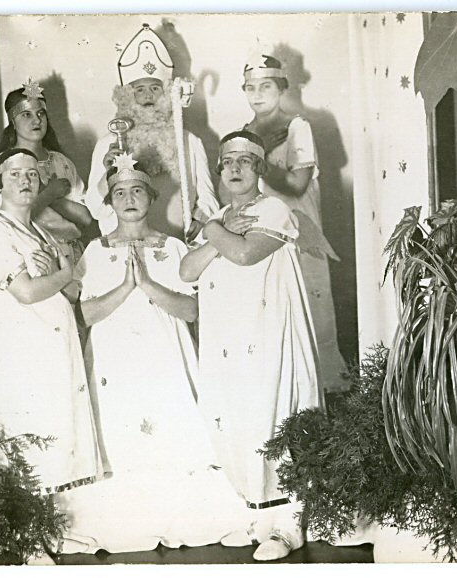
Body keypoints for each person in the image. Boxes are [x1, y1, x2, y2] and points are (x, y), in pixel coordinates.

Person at [59, 153, 252, 554]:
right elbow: (86, 315)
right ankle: (122, 524)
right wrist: (125, 287)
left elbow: (191, 310)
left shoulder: (174, 247)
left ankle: (185, 517)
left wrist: (147, 284)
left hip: (164, 358)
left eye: (137, 191)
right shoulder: (96, 250)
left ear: (151, 197)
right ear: (109, 202)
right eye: (119, 193)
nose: (129, 199)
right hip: (114, 362)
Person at [180, 130, 323, 561]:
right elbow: (187, 271)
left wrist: (212, 231)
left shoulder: (274, 208)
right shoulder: (222, 215)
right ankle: (259, 516)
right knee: (237, 421)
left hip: (267, 335)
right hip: (228, 340)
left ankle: (289, 524)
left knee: (274, 418)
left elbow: (244, 254)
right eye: (227, 162)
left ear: (260, 168)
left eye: (245, 161)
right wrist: (217, 231)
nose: (235, 169)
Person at [0, 149, 101, 554]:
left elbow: (72, 291)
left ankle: (46, 530)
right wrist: (62, 272)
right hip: (15, 358)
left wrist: (60, 274)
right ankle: (24, 541)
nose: (25, 180)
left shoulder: (40, 233)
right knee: (21, 443)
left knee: (48, 439)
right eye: (15, 174)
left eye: (31, 173)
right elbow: (26, 291)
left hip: (46, 354)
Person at [239, 55, 350, 394]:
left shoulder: (297, 126)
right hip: (260, 226)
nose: (258, 94)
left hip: (297, 226)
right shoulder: (245, 132)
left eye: (266, 86)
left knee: (308, 302)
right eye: (250, 87)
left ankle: (320, 388)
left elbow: (297, 186)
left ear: (282, 88)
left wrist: (257, 157)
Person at [85, 24, 219, 242]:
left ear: (167, 93)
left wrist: (200, 219)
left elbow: (208, 198)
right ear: (127, 95)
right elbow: (94, 209)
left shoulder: (189, 141)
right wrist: (108, 174)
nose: (148, 95)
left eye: (155, 88)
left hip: (178, 244)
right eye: (139, 89)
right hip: (125, 246)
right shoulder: (108, 144)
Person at [0, 81, 94, 259]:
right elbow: (9, 221)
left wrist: (52, 198)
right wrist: (50, 193)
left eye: (40, 113)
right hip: (31, 255)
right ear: (13, 122)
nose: (36, 120)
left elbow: (85, 218)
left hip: (71, 254)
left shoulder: (61, 162)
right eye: (26, 114)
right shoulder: (5, 163)